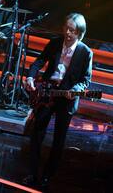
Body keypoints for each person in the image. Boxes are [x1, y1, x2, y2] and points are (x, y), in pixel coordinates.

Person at [24, 13, 93, 188]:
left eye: (73, 30)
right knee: (37, 133)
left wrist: (75, 90)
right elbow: (39, 62)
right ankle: (32, 173)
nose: (68, 33)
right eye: (66, 28)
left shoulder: (85, 52)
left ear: (80, 33)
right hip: (47, 92)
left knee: (58, 139)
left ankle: (47, 175)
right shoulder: (55, 43)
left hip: (66, 98)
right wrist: (31, 77)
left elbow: (85, 79)